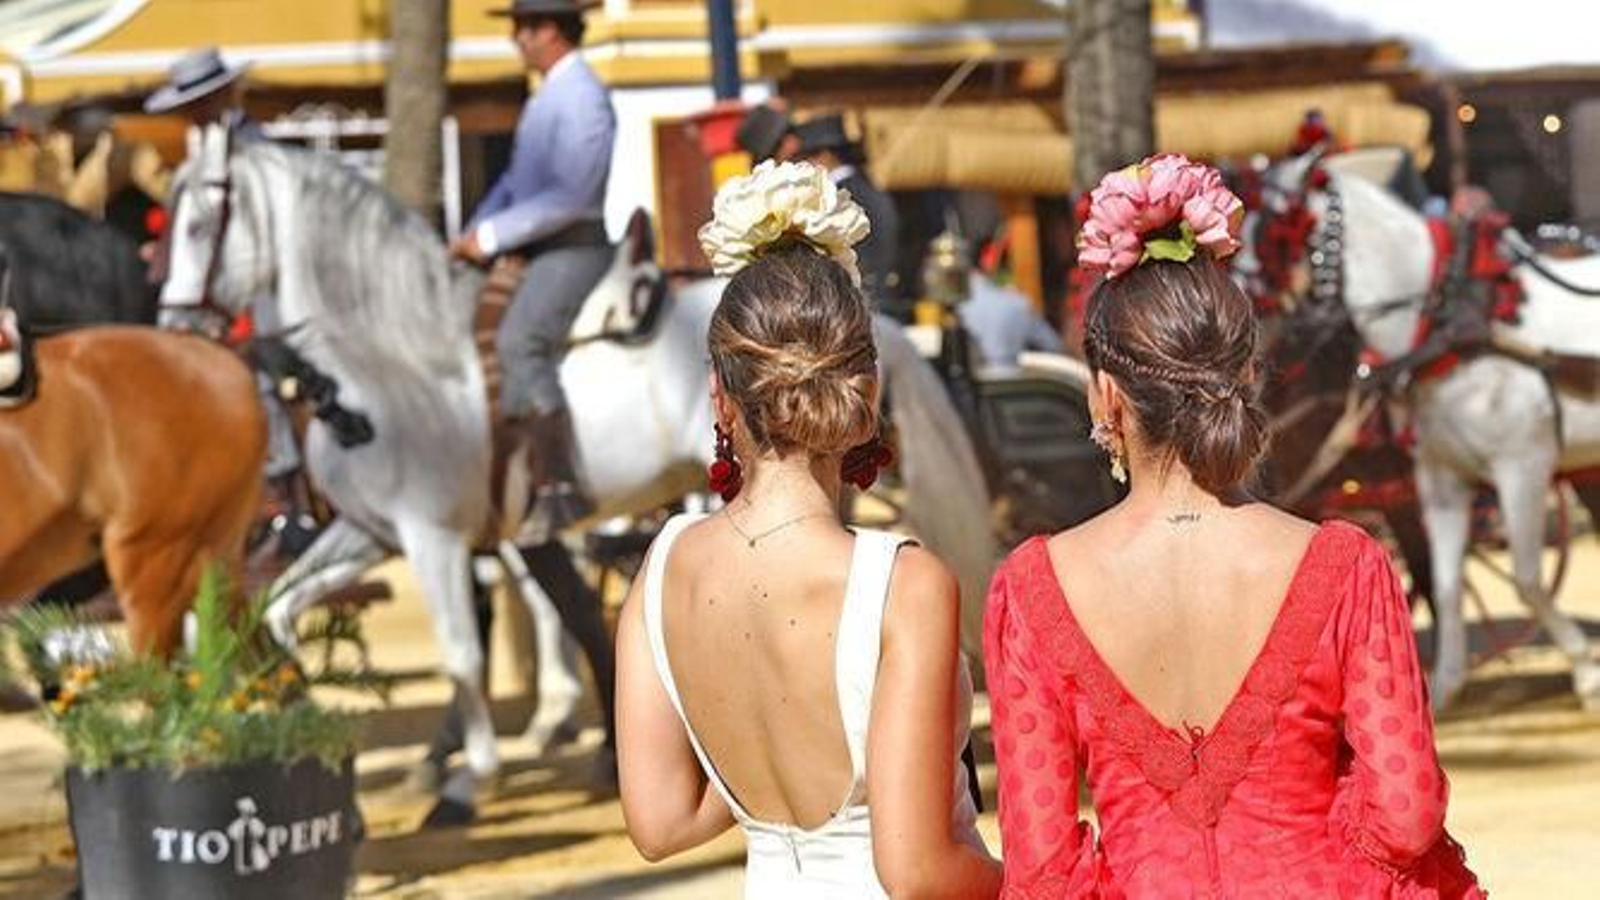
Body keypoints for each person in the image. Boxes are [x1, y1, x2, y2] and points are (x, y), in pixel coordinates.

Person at [985, 153, 1484, 897]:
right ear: (1247, 377)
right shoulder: (1345, 569)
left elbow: (1042, 868)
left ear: (1105, 398)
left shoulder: (1031, 591)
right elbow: (1405, 818)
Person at [617, 160, 1000, 897]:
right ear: (869, 389)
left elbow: (659, 823)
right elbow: (918, 870)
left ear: (720, 399)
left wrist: (771, 768)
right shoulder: (900, 583)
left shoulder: (664, 566)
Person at [452, 0, 615, 539]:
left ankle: (562, 485)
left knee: (520, 340)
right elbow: (513, 186)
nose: (516, 38)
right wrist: (473, 231)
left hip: (574, 246)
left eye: (525, 27)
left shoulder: (585, 96)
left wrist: (492, 235)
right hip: (536, 246)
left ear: (553, 31)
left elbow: (572, 196)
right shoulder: (547, 95)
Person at [793, 113, 904, 317]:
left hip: (859, 305)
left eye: (806, 158)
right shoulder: (866, 186)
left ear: (825, 155)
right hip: (879, 300)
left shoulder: (836, 197)